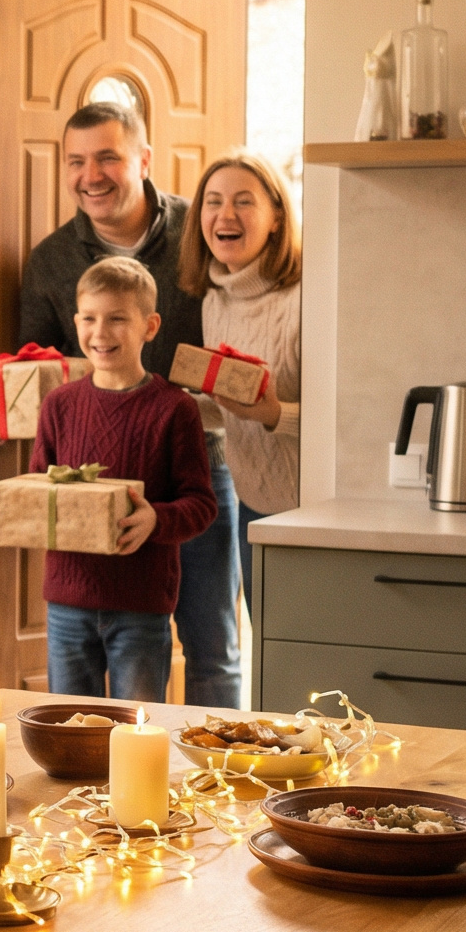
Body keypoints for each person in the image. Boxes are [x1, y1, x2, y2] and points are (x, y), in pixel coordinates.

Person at [0, 100, 243, 707]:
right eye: (76, 161)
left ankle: (219, 784)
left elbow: (250, 307)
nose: (92, 175)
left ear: (143, 158)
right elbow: (37, 374)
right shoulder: (51, 260)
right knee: (96, 660)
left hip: (196, 459)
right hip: (97, 481)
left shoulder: (200, 234)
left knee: (211, 646)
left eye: (108, 157)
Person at [31, 257, 218, 700]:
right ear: (76, 322)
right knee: (67, 730)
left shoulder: (176, 409)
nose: (100, 333)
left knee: (138, 732)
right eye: (90, 319)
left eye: (117, 319)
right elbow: (40, 490)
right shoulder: (58, 405)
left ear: (149, 326)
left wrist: (157, 519)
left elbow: (201, 503)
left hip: (142, 605)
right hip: (66, 604)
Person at [176, 151, 302, 614]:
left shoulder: (306, 297)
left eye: (243, 202)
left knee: (316, 669)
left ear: (276, 217)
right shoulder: (216, 299)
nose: (224, 215)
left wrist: (271, 414)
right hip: (254, 504)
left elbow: (346, 422)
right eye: (213, 202)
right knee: (272, 656)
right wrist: (164, 402)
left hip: (308, 513)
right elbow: (232, 408)